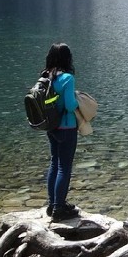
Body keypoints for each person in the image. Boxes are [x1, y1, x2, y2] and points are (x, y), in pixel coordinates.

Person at [43, 42, 81, 222]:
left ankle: (52, 204)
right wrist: (79, 100)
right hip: (66, 127)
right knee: (64, 167)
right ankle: (59, 208)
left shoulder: (45, 76)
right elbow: (70, 105)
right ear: (67, 59)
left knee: (54, 163)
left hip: (51, 126)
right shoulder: (67, 78)